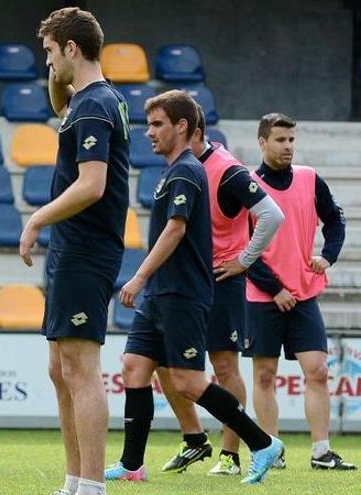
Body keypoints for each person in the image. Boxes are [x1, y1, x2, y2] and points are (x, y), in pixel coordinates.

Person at [105, 89, 284, 486]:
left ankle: (261, 443)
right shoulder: (174, 169)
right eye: (148, 124)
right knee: (134, 368)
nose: (148, 132)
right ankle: (132, 464)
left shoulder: (187, 170)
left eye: (157, 125)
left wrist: (140, 276)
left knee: (188, 380)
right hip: (162, 294)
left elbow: (176, 228)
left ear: (182, 126)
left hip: (183, 292)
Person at [21, 8, 130, 495]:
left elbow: (91, 184)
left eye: (50, 51)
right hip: (72, 247)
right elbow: (60, 105)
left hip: (87, 247)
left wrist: (37, 217)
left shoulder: (95, 105)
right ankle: (73, 481)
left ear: (71, 48)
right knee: (59, 367)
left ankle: (92, 486)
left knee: (81, 368)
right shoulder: (88, 102)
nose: (46, 62)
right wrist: (55, 78)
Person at [154, 104, 284, 476]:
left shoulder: (226, 169)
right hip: (188, 279)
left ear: (190, 131)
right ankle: (194, 438)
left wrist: (244, 260)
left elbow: (273, 215)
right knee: (163, 362)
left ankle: (231, 455)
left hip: (222, 279)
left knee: (224, 366)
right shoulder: (182, 167)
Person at [245, 113, 354, 471]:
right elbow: (241, 248)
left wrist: (327, 256)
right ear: (262, 143)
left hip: (304, 293)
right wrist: (274, 288)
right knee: (264, 375)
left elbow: (336, 221)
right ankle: (270, 450)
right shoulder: (246, 185)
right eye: (280, 140)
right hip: (262, 296)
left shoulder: (309, 179)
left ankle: (321, 452)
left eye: (291, 139)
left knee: (318, 370)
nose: (288, 146)